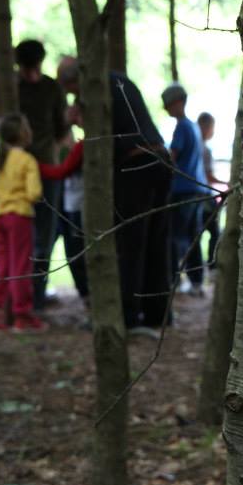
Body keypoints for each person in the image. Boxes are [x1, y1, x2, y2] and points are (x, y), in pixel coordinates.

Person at [56, 57, 173, 334]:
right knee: (156, 242)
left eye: (70, 90)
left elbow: (100, 138)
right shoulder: (118, 78)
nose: (73, 96)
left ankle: (128, 316)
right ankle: (158, 313)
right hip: (160, 160)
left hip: (135, 166)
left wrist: (78, 120)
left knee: (130, 243)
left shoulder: (95, 87)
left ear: (73, 81)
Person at [0, 40, 67, 317]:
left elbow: (62, 128)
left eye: (36, 68)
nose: (32, 74)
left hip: (46, 170)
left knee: (42, 241)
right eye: (27, 69)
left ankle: (31, 305)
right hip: (13, 175)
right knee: (2, 245)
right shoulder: (6, 89)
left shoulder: (51, 88)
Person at [0, 113, 47, 333]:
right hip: (20, 217)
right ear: (23, 134)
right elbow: (34, 193)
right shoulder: (27, 160)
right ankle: (22, 316)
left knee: (1, 267)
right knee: (20, 266)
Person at [40, 104, 88, 305]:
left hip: (77, 206)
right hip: (70, 205)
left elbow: (60, 171)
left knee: (76, 251)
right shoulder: (77, 145)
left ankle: (87, 294)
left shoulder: (83, 145)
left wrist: (32, 165)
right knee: (72, 250)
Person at [163, 83, 208, 297]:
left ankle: (175, 281)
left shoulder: (182, 127)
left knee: (176, 237)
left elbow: (172, 157)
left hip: (182, 190)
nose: (166, 109)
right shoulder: (195, 127)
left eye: (168, 104)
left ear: (179, 102)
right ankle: (196, 281)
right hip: (197, 189)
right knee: (193, 237)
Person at [198, 112, 226, 272]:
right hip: (203, 197)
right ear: (206, 127)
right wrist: (225, 183)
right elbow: (208, 176)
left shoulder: (196, 146)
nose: (213, 131)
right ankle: (211, 265)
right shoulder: (205, 150)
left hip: (198, 195)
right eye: (212, 128)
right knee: (214, 231)